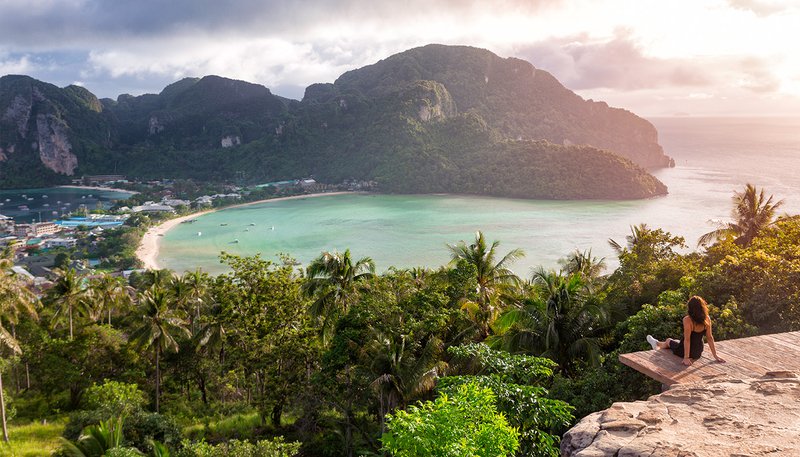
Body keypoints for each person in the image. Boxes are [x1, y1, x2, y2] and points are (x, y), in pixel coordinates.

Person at [646, 296, 726, 366]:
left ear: (690, 307)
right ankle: (656, 343)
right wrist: (715, 356)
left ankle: (656, 344)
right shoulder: (707, 318)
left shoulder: (687, 320)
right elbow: (710, 338)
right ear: (702, 307)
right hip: (698, 352)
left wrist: (686, 358)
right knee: (676, 341)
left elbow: (687, 340)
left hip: (684, 351)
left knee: (668, 341)